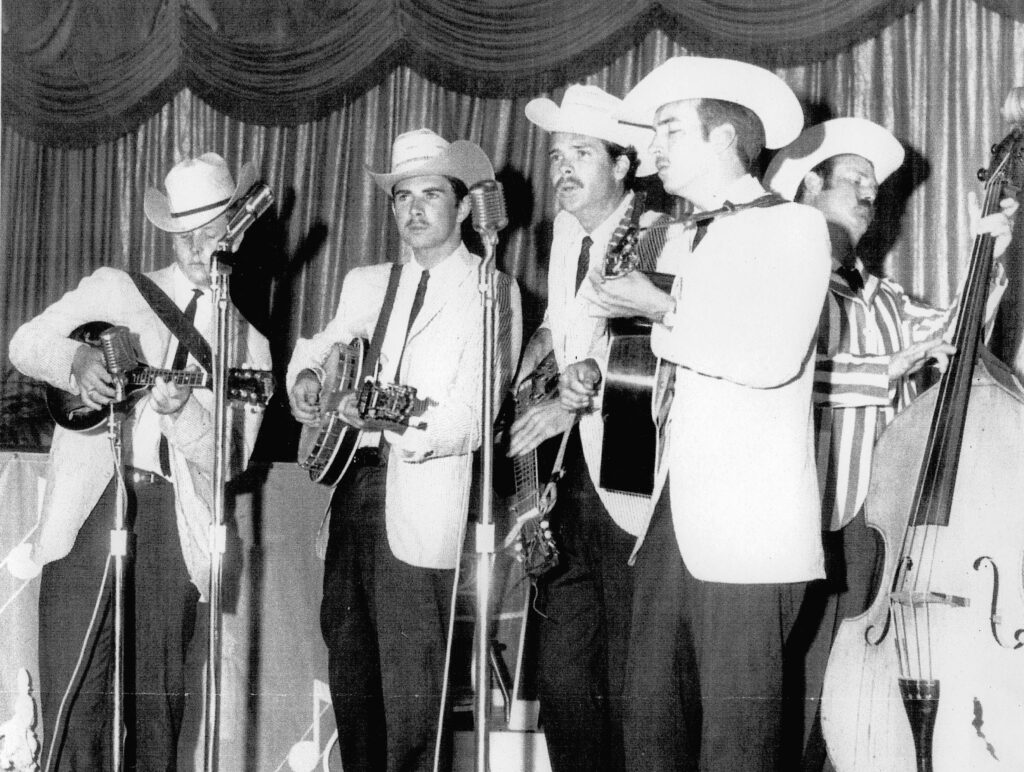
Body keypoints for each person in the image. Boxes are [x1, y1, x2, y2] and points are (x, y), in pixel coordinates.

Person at [560, 56, 834, 771]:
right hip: (665, 524)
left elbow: (769, 354)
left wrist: (662, 306)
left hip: (749, 537)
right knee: (647, 738)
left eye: (671, 130)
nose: (655, 149)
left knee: (734, 753)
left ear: (723, 139)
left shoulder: (797, 227)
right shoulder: (676, 236)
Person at [763, 116, 1018, 770]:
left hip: (870, 539)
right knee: (781, 703)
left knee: (845, 707)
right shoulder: (771, 275)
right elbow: (785, 371)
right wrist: (894, 364)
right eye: (853, 179)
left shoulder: (886, 300)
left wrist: (988, 256)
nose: (870, 195)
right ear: (803, 188)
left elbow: (960, 341)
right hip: (791, 525)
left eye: (874, 187)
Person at [8, 153, 272, 770]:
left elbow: (227, 464)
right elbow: (25, 343)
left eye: (212, 231)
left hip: (173, 523)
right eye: (185, 234)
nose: (198, 246)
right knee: (74, 690)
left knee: (157, 708)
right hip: (90, 507)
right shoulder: (118, 288)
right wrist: (74, 360)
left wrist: (184, 413)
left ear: (235, 230)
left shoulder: (249, 345)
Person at [286, 129, 522, 772]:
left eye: (430, 194)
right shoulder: (365, 283)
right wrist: (307, 383)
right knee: (352, 675)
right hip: (353, 493)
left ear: (464, 206)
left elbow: (473, 418)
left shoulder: (490, 290)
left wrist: (396, 417)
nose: (413, 209)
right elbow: (319, 348)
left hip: (423, 502)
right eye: (401, 197)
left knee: (416, 699)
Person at [507, 84, 661, 772]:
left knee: (630, 687)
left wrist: (572, 400)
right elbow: (571, 325)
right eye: (556, 154)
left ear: (624, 165)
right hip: (567, 484)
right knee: (564, 688)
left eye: (581, 153)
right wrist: (538, 345)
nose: (562, 168)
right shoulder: (567, 232)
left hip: (634, 483)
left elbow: (642, 353)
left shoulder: (660, 234)